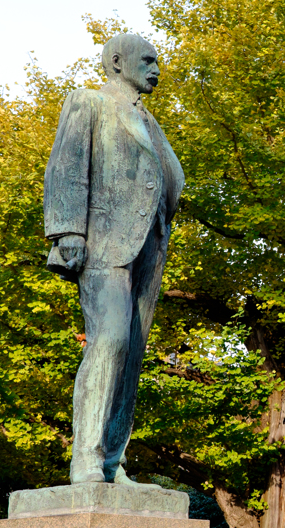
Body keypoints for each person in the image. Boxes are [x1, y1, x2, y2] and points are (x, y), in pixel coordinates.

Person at [43, 32, 184, 485]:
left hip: (149, 246)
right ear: (117, 62)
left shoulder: (152, 122)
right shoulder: (90, 103)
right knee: (110, 341)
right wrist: (67, 231)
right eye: (146, 60)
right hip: (103, 243)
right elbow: (66, 164)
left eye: (157, 61)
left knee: (132, 355)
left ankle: (111, 461)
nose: (155, 68)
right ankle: (85, 457)